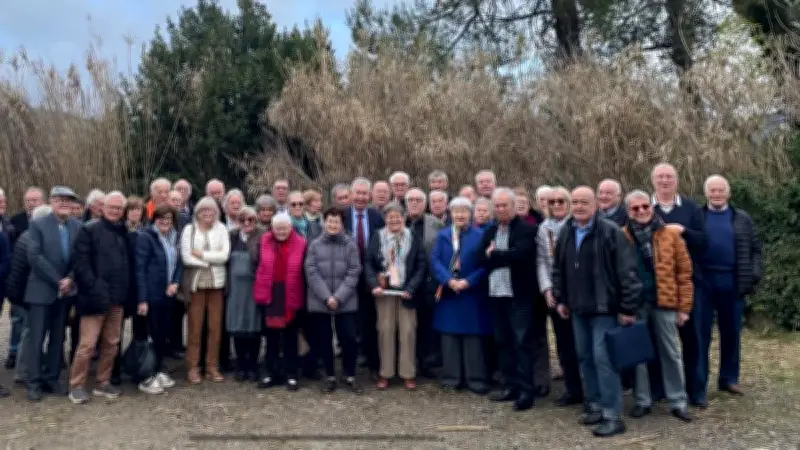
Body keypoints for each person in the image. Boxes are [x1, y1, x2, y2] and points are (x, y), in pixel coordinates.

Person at [552, 186, 641, 437]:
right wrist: (560, 299)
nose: (579, 206)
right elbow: (558, 269)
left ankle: (613, 416)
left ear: (595, 205)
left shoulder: (610, 231)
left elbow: (628, 273)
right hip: (577, 308)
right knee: (586, 357)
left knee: (604, 360)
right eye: (576, 202)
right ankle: (595, 406)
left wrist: (627, 307)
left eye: (584, 202)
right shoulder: (567, 231)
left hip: (605, 308)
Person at [623, 190, 693, 422]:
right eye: (636, 208)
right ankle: (642, 400)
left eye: (645, 206)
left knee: (671, 352)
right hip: (635, 304)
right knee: (638, 355)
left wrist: (684, 307)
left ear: (651, 208)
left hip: (665, 301)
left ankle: (678, 401)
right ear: (629, 212)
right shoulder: (621, 237)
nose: (642, 211)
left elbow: (684, 273)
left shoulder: (670, 235)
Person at [698, 175, 762, 398]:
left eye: (720, 190)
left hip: (733, 282)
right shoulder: (698, 216)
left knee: (731, 332)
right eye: (712, 190)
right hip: (703, 283)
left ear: (728, 193)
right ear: (706, 193)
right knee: (701, 333)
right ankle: (699, 383)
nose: (717, 194)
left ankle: (729, 378)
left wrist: (753, 274)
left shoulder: (741, 218)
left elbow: (756, 248)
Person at [478, 188, 539, 412]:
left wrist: (494, 254)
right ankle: (510, 385)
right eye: (498, 205)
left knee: (521, 342)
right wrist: (500, 255)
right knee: (503, 341)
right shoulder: (491, 230)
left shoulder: (527, 229)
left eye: (505, 205)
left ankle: (526, 391)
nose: (501, 209)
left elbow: (521, 256)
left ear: (514, 207)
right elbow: (479, 257)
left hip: (518, 295)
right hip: (496, 294)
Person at [651, 163, 707, 407]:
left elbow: (703, 240)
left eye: (669, 177)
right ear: (653, 180)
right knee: (655, 340)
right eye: (660, 177)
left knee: (692, 339)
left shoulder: (691, 208)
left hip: (687, 282)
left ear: (677, 180)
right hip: (655, 285)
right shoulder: (644, 206)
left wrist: (683, 230)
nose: (665, 180)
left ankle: (696, 391)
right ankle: (659, 389)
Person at [69, 191, 131, 404]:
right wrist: (95, 287)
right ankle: (76, 385)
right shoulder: (89, 230)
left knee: (111, 343)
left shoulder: (123, 231)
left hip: (117, 298)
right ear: (103, 208)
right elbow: (80, 264)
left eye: (119, 208)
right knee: (87, 344)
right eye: (112, 207)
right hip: (94, 297)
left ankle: (103, 382)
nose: (115, 211)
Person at [24, 186, 81, 402]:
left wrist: (71, 279)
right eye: (60, 200)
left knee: (58, 338)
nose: (64, 203)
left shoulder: (77, 226)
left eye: (68, 200)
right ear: (51, 202)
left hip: (65, 292)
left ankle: (51, 378)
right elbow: (35, 257)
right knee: (37, 338)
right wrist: (58, 280)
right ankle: (34, 382)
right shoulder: (38, 224)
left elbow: (80, 257)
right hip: (42, 291)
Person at [430, 197, 491, 394]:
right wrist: (448, 280)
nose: (460, 215)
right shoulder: (443, 235)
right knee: (449, 337)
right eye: (456, 211)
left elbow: (485, 265)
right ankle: (451, 377)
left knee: (473, 338)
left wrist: (468, 282)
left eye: (464, 211)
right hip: (449, 293)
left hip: (471, 294)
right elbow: (435, 260)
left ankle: (475, 379)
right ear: (451, 214)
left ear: (470, 214)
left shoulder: (480, 236)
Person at [365, 202, 428, 390]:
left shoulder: (413, 236)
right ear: (385, 219)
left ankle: (408, 373)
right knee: (385, 330)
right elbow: (368, 261)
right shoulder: (377, 236)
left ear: (404, 218)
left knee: (408, 331)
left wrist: (412, 287)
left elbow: (421, 264)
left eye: (397, 216)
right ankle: (386, 373)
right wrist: (374, 284)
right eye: (390, 217)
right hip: (384, 292)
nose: (394, 220)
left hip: (406, 292)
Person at [304, 207, 363, 394]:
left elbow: (354, 272)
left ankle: (350, 374)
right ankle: (330, 375)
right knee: (324, 339)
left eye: (336, 221)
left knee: (348, 338)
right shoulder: (314, 245)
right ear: (324, 222)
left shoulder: (350, 245)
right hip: (320, 301)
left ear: (342, 224)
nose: (332, 224)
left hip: (345, 301)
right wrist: (326, 297)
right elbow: (311, 272)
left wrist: (338, 297)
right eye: (329, 221)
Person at [536, 186, 583, 407]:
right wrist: (546, 290)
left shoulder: (577, 225)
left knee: (583, 344)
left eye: (560, 201)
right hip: (555, 293)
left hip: (578, 293)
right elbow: (542, 262)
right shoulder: (543, 228)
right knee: (564, 344)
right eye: (552, 202)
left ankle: (589, 388)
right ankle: (572, 388)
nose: (556, 205)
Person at [253, 214, 306, 391]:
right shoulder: (263, 241)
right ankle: (271, 373)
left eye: (284, 228)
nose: (281, 232)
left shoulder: (301, 242)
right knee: (271, 337)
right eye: (277, 228)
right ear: (272, 228)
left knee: (290, 337)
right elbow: (255, 263)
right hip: (270, 293)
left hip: (291, 293)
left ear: (291, 227)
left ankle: (291, 374)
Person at [181, 196, 231, 384]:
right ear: (198, 213)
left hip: (217, 285)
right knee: (195, 327)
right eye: (204, 211)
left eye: (211, 211)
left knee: (215, 327)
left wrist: (201, 254)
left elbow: (224, 256)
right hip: (196, 285)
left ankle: (212, 366)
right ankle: (193, 368)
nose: (207, 214)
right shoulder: (189, 229)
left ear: (216, 213)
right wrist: (209, 261)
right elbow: (186, 257)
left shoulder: (222, 229)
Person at [134, 204, 183, 395]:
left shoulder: (172, 237)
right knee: (149, 336)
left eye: (168, 219)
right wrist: (142, 299)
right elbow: (140, 269)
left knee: (162, 335)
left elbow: (179, 263)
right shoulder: (146, 237)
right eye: (161, 218)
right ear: (154, 219)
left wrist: (176, 283)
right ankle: (146, 376)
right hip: (151, 296)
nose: (164, 222)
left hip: (167, 295)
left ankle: (158, 369)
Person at [6, 205, 53, 388]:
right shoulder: (32, 238)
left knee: (30, 332)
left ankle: (29, 368)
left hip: (20, 292)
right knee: (30, 333)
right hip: (24, 294)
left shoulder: (27, 235)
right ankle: (24, 372)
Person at [343, 178, 385, 380]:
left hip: (370, 278)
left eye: (364, 193)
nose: (360, 197)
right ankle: (347, 367)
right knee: (348, 325)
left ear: (369, 196)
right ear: (350, 194)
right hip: (346, 278)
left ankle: (373, 366)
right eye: (356, 193)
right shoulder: (341, 216)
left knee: (369, 324)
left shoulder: (377, 216)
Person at [405, 188, 445, 378]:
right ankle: (408, 363)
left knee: (427, 326)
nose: (414, 203)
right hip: (404, 285)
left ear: (425, 203)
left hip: (428, 284)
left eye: (418, 200)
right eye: (410, 199)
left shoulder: (436, 224)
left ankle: (427, 363)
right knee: (407, 326)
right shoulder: (398, 221)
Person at [6, 187, 43, 370]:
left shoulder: (46, 221)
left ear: (42, 202)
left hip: (36, 279)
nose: (31, 203)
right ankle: (13, 353)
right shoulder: (16, 220)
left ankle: (29, 356)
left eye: (34, 200)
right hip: (18, 277)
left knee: (32, 322)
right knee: (16, 319)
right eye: (28, 200)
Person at [225, 207, 263, 382]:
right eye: (243, 220)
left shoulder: (262, 236)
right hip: (235, 290)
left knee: (254, 327)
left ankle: (253, 365)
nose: (247, 223)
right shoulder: (230, 236)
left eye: (251, 220)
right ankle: (240, 365)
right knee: (237, 327)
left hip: (255, 287)